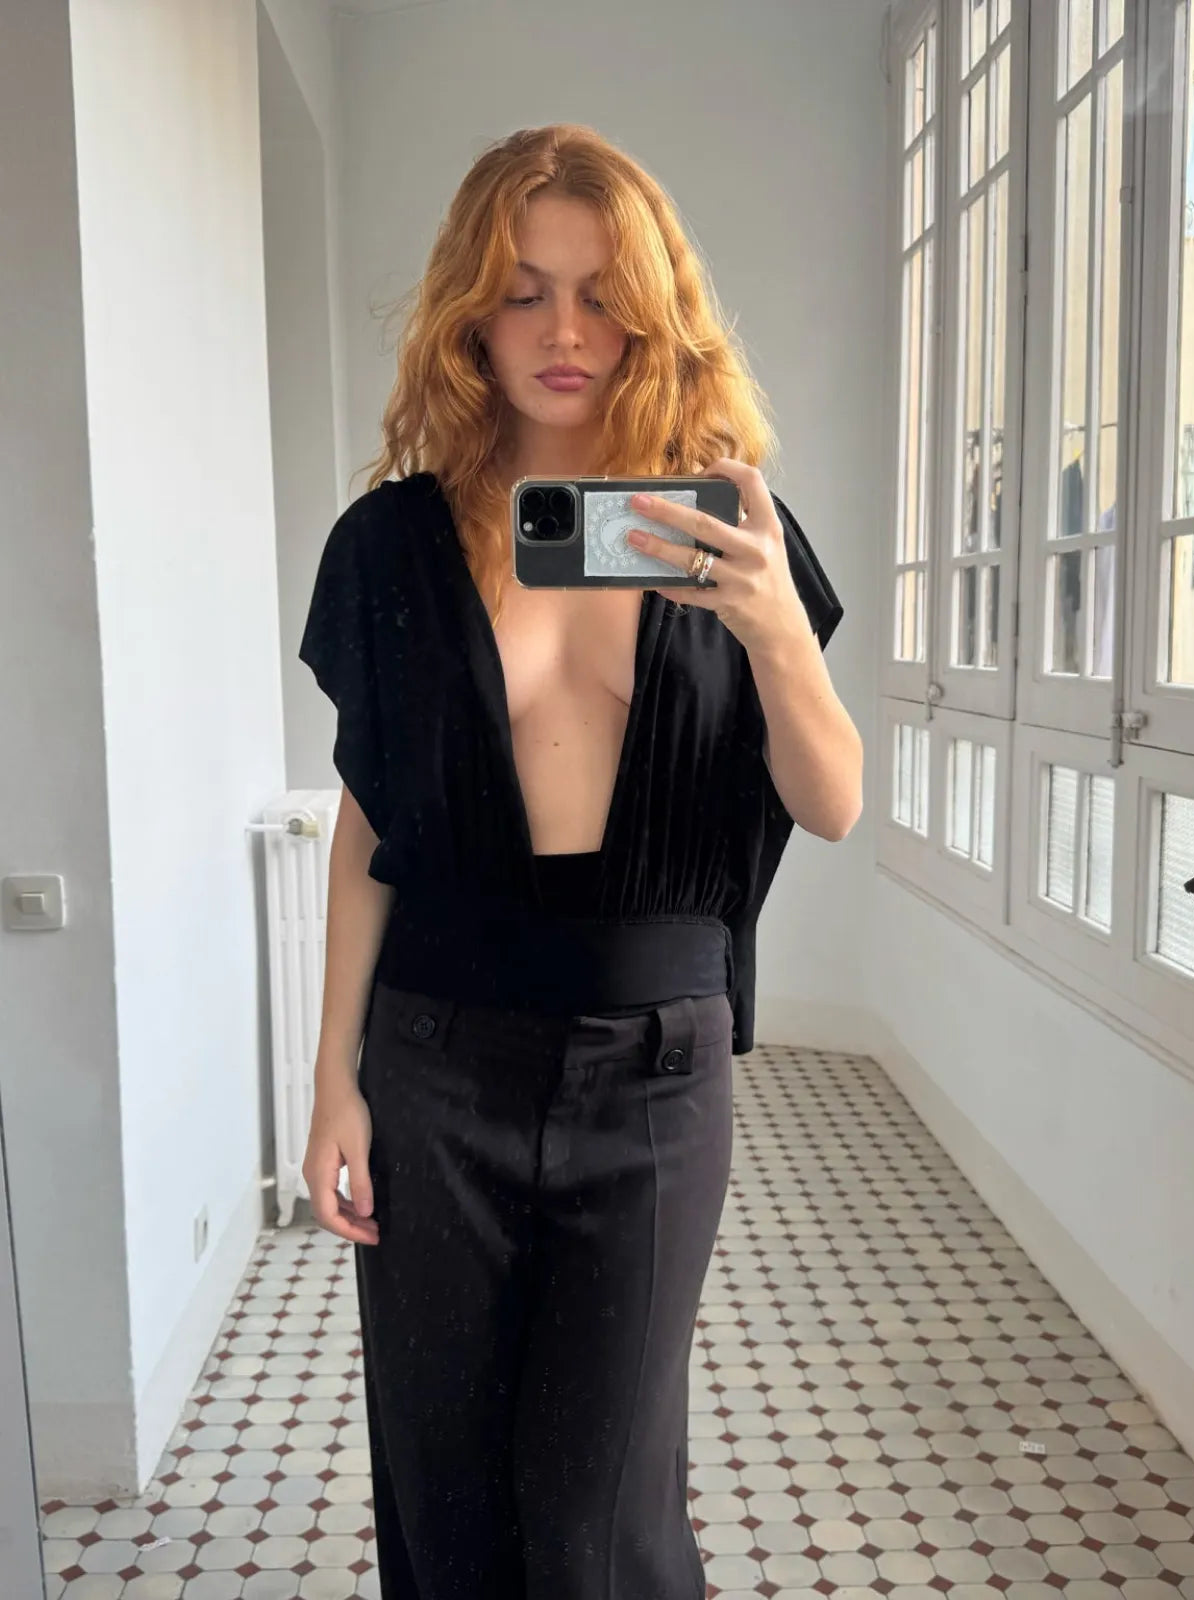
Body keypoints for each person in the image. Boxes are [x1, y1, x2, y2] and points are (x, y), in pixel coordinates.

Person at [298, 122, 861, 1600]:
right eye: (524, 291)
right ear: (469, 313)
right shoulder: (392, 547)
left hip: (655, 1073)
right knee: (445, 1490)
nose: (564, 332)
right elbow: (370, 827)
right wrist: (333, 1078)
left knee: (603, 1516)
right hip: (435, 1060)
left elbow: (833, 801)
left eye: (602, 294)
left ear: (655, 312)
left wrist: (776, 629)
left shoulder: (725, 531)